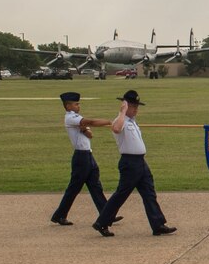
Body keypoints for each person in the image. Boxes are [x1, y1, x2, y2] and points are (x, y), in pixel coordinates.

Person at [93, 90, 176, 238]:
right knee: (121, 194)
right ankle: (102, 222)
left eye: (136, 107)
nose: (136, 109)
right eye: (133, 106)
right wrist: (122, 112)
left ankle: (158, 224)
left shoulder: (132, 122)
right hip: (129, 163)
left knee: (149, 193)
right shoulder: (121, 120)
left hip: (140, 161)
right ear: (125, 105)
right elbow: (116, 129)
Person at [50, 91, 112, 227]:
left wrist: (84, 130)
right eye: (76, 104)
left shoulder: (78, 118)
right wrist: (109, 122)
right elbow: (90, 122)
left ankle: (107, 213)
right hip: (80, 157)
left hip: (88, 154)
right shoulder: (70, 118)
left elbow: (90, 135)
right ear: (68, 106)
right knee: (74, 188)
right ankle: (59, 215)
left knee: (95, 186)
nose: (79, 106)